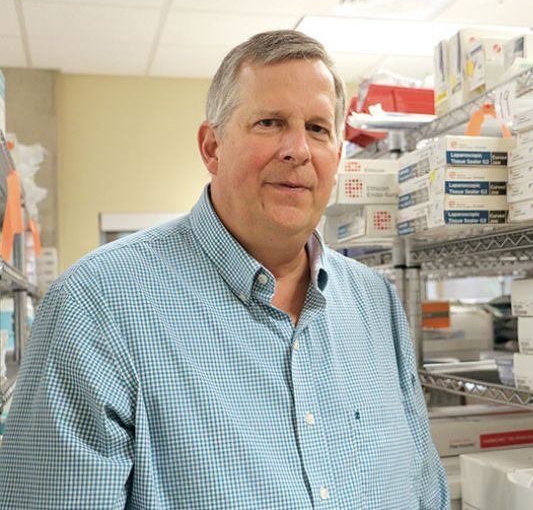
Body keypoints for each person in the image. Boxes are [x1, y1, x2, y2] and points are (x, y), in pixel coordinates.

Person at [0, 30, 449, 509]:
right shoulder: (96, 306)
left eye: (318, 129)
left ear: (337, 158)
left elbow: (425, 491)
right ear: (212, 147)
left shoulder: (376, 303)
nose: (298, 149)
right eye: (270, 122)